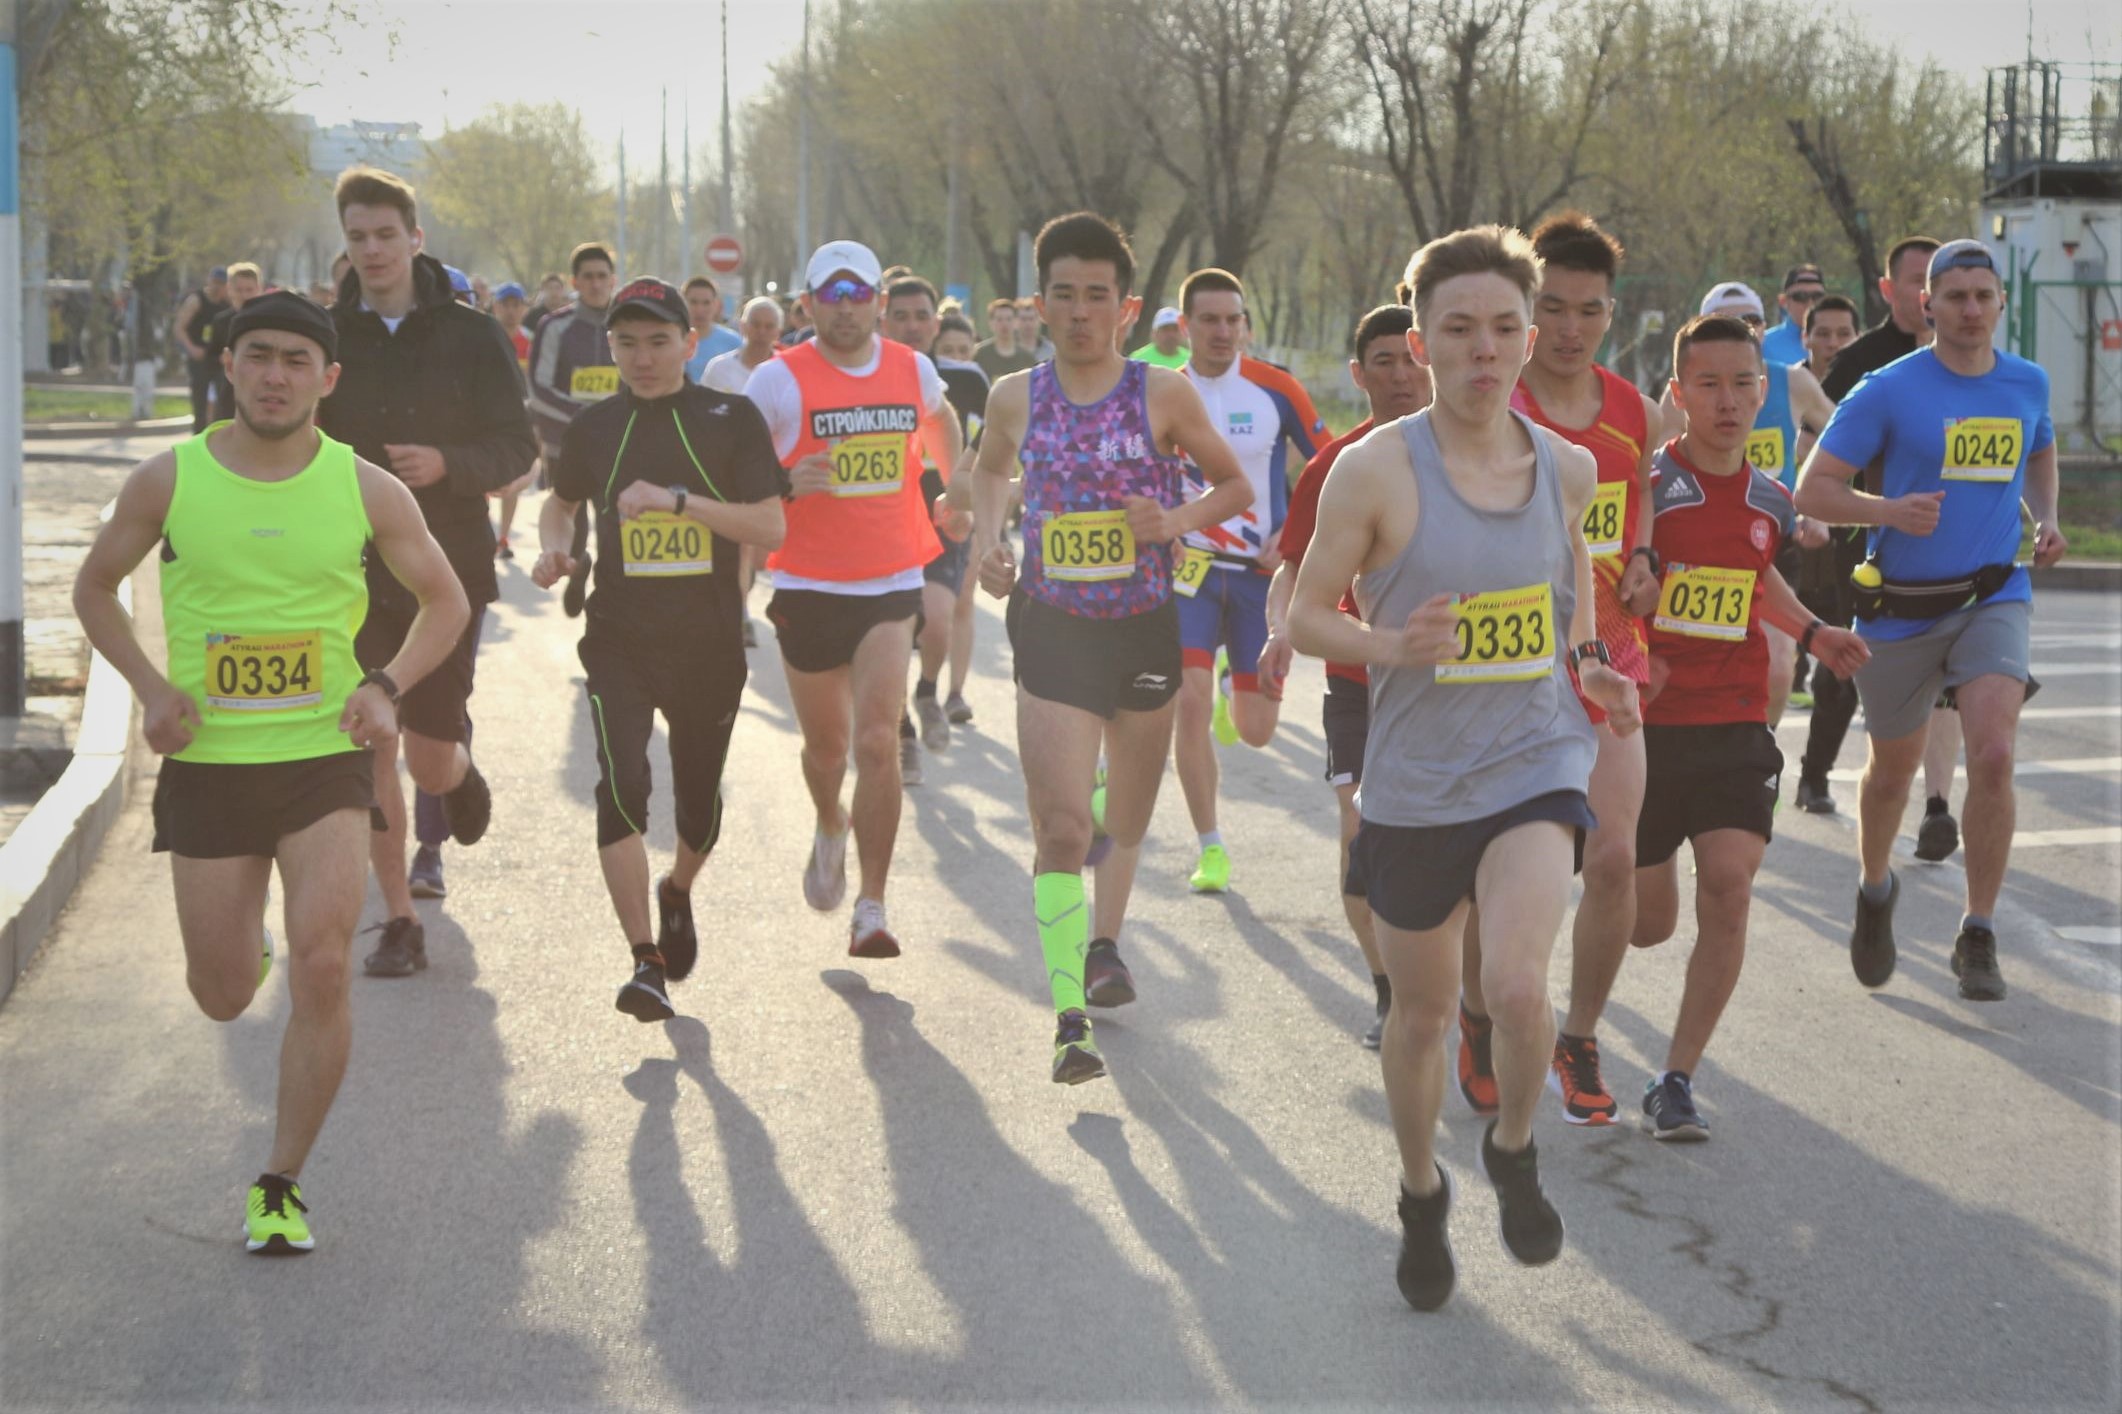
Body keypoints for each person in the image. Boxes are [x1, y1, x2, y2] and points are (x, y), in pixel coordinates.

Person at [1287, 225, 1639, 1313]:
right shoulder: (1373, 471)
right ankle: (1418, 1188)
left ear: (1528, 337)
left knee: (1518, 986)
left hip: (1534, 755)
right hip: (1412, 782)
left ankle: (1515, 1148)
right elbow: (1302, 616)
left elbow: (1565, 568)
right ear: (1421, 339)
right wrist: (1390, 646)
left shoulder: (1568, 467)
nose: (1483, 350)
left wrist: (1588, 660)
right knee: (1423, 1012)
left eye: (1501, 328)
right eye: (1457, 329)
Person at [73, 291, 471, 1253]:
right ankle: (240, 951)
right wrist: (149, 686)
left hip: (322, 759)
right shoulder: (167, 481)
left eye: (298, 359)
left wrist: (384, 685)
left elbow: (444, 602)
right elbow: (94, 588)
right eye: (260, 356)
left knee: (326, 960)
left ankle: (280, 1183)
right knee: (221, 992)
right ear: (230, 365)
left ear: (327, 380)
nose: (277, 374)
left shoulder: (366, 487)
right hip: (209, 765)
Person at [970, 211, 1252, 1083]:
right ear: (1040, 302)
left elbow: (1234, 484)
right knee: (1060, 829)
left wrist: (1173, 520)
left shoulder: (1162, 393)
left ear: (1125, 309)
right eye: (1065, 296)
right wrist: (991, 539)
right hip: (1051, 626)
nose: (1081, 313)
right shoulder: (1015, 394)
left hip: (1141, 628)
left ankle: (1106, 943)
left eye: (1098, 297)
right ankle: (1068, 1020)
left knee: (1121, 823)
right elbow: (987, 470)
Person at [1796, 238, 2065, 1003]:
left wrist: (2044, 517)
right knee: (1890, 776)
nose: (1971, 310)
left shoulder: (2027, 382)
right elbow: (1814, 492)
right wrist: (1888, 512)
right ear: (1927, 305)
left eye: (1984, 296)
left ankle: (1977, 930)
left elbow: (2039, 451)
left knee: (1995, 754)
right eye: (1956, 297)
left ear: (2000, 304)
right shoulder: (1887, 389)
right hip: (1901, 608)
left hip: (1993, 594)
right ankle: (1875, 886)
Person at [1631, 314, 1868, 1137]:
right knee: (1647, 924)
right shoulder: (1648, 489)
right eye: (1709, 384)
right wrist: (1632, 646)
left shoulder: (1773, 495)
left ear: (1764, 393)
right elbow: (1602, 583)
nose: (1728, 401)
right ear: (1678, 393)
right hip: (1645, 726)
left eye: (1743, 384)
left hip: (1732, 718)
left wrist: (1812, 633)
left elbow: (1755, 574)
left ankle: (1676, 1078)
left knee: (1729, 889)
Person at [530, 279, 786, 1019]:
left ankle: (677, 891)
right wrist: (557, 552)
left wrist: (678, 503)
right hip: (619, 639)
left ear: (690, 343)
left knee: (699, 809)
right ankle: (644, 960)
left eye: (657, 342)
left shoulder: (728, 419)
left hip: (708, 645)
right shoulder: (595, 426)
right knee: (623, 785)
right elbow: (560, 500)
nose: (641, 359)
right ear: (610, 347)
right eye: (625, 343)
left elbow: (769, 528)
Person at [1463, 212, 1659, 1129]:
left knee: (1614, 853)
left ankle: (1577, 1035)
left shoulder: (1634, 412)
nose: (1572, 328)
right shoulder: (1496, 402)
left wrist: (1648, 554)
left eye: (1590, 311)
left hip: (1610, 646)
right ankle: (1477, 1013)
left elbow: (1639, 499)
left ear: (1609, 317)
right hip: (1508, 652)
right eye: (1557, 308)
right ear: (1531, 312)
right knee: (1486, 866)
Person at [319, 167, 538, 967]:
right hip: (349, 574)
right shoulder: (328, 336)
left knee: (428, 756)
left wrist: (448, 463)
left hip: (442, 573)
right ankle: (400, 919)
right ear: (345, 245)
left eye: (386, 235)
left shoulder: (472, 334)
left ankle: (460, 774)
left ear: (416, 238)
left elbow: (519, 448)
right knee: (372, 738)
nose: (373, 251)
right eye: (357, 237)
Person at [744, 240, 963, 956]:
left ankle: (872, 904)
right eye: (830, 297)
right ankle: (829, 822)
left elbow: (942, 421)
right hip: (807, 583)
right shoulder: (778, 382)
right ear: (809, 306)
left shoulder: (911, 368)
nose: (846, 309)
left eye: (858, 295)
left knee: (876, 741)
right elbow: (731, 476)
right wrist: (783, 480)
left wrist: (952, 484)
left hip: (891, 580)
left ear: (876, 299)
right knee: (826, 748)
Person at [1264, 303, 1430, 1050]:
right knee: (1362, 838)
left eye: (1410, 357)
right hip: (1363, 687)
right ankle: (1388, 987)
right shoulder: (1339, 466)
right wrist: (1279, 634)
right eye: (1383, 362)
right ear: (1359, 376)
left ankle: (1464, 990)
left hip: (1460, 690)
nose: (1401, 374)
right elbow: (1295, 576)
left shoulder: (1483, 455)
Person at [1171, 266, 1327, 895]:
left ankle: (1234, 703)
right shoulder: (1160, 390)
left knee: (1258, 729)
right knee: (1186, 701)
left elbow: (1335, 468)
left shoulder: (1275, 388)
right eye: (1209, 320)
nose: (1223, 332)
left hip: (1260, 576)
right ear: (1185, 326)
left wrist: (1293, 541)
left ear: (1245, 325)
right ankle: (1211, 847)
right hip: (1189, 576)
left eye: (1233, 320)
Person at [1793, 237, 1940, 816]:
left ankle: (1936, 804)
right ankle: (1815, 774)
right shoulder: (1861, 364)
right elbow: (1813, 447)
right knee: (1847, 665)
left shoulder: (1969, 363)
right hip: (1863, 545)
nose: (1929, 292)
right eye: (1917, 280)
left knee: (1950, 678)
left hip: (1944, 549)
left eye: (1940, 279)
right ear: (1889, 289)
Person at [1680, 281, 1836, 725]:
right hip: (1702, 544)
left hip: (1771, 538)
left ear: (1766, 328)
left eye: (1751, 322)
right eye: (1727, 323)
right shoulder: (1686, 386)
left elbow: (1844, 440)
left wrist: (1814, 506)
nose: (1742, 332)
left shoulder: (1791, 381)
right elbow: (1648, 459)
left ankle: (1759, 761)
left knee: (1779, 662)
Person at [881, 274, 986, 782]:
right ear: (881, 316)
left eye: (922, 316)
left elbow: (990, 442)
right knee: (895, 633)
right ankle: (902, 733)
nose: (912, 326)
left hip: (944, 515)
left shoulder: (967, 381)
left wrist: (972, 502)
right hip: (882, 521)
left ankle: (927, 690)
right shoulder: (867, 373)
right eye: (899, 316)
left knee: (938, 618)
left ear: (936, 321)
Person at [528, 243, 622, 620]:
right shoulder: (555, 326)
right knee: (572, 513)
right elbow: (538, 388)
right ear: (575, 282)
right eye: (588, 277)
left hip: (616, 441)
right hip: (565, 441)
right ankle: (577, 564)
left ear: (613, 279)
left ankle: (610, 590)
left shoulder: (627, 324)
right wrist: (584, 420)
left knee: (611, 515)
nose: (596, 284)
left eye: (603, 276)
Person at [203, 264, 264, 424]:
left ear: (258, 289)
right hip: (229, 391)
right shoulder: (221, 321)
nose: (244, 295)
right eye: (239, 289)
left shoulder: (269, 321)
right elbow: (209, 356)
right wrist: (221, 359)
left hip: (261, 389)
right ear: (229, 289)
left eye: (249, 290)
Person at [174, 268, 231, 433]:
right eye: (215, 283)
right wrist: (191, 349)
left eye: (222, 284)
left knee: (223, 402)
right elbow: (179, 328)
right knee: (200, 403)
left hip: (220, 359)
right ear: (209, 281)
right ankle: (198, 436)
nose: (217, 288)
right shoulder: (197, 301)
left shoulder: (228, 304)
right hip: (200, 358)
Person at [1760, 263, 1825, 368]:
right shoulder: (1762, 345)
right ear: (1783, 301)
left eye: (1817, 297)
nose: (1810, 303)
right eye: (1800, 296)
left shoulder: (1839, 341)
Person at [683, 276, 744, 383]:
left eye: (706, 303)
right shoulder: (672, 341)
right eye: (693, 302)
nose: (699, 309)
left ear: (716, 304)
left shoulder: (734, 342)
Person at [974, 297, 1036, 381]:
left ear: (1016, 322)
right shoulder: (979, 354)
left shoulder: (1027, 358)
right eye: (999, 319)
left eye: (1009, 319)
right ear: (991, 323)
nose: (1004, 324)